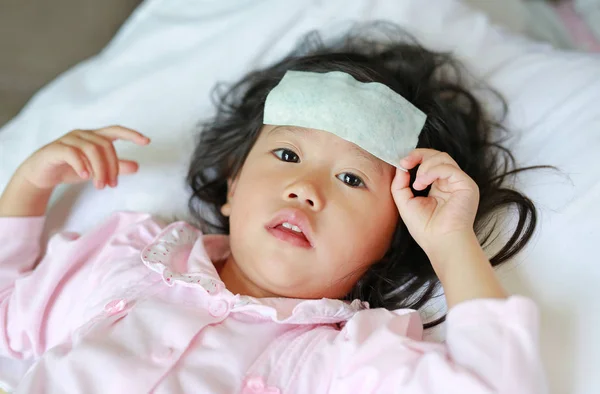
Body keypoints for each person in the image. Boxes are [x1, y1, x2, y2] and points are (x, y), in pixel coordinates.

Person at [0, 25, 547, 393]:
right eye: (287, 154)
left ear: (393, 238)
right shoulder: (125, 262)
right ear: (232, 184)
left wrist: (452, 244)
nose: (305, 188)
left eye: (351, 178)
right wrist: (28, 186)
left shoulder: (337, 359)